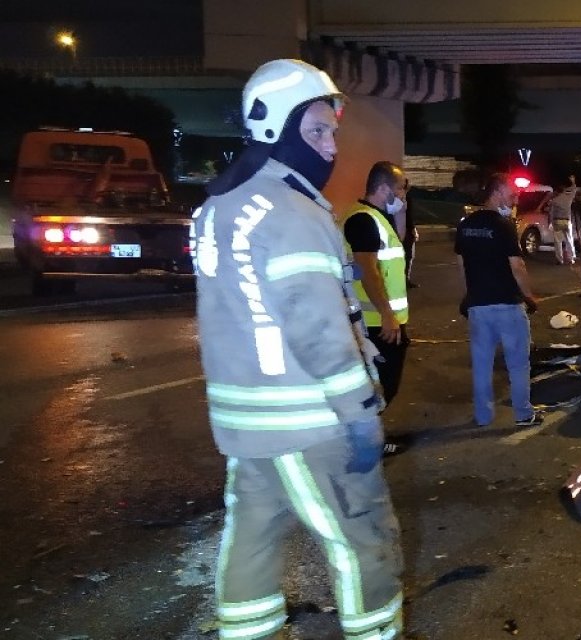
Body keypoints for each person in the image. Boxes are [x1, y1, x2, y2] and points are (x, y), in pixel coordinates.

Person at [192, 59, 403, 638]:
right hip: (310, 423)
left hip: (247, 424)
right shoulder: (293, 212)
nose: (330, 145)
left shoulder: (219, 208)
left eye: (332, 130)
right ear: (275, 131)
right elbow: (319, 329)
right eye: (315, 131)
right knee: (363, 538)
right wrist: (360, 415)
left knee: (253, 538)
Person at [456, 172, 544, 428]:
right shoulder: (503, 225)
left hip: (478, 307)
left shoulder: (466, 225)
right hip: (507, 305)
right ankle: (523, 414)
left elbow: (461, 264)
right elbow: (517, 265)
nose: (515, 198)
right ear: (496, 192)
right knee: (517, 364)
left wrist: (469, 294)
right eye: (511, 193)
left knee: (481, 364)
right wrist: (528, 295)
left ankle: (483, 416)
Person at [342, 161, 411, 406]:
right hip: (375, 323)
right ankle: (371, 441)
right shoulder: (363, 220)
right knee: (380, 386)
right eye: (401, 189)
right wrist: (387, 314)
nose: (404, 195)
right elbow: (368, 270)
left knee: (385, 385)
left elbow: (396, 244)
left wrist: (401, 212)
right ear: (383, 189)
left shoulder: (377, 217)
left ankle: (373, 438)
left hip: (382, 320)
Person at [546, 177, 577, 265]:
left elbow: (551, 213)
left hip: (557, 221)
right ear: (564, 190)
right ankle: (571, 258)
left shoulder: (554, 201)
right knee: (569, 240)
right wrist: (573, 182)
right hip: (567, 221)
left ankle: (560, 259)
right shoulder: (569, 198)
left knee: (558, 241)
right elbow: (574, 190)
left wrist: (550, 223)